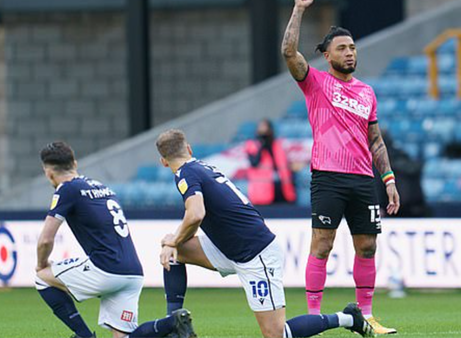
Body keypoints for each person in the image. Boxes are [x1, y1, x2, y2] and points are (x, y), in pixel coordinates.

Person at [156, 129, 373, 338]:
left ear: (163, 161)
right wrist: (174, 242)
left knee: (276, 334)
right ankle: (174, 323)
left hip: (255, 254)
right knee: (175, 251)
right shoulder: (200, 167)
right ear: (189, 149)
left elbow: (196, 214)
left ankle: (348, 318)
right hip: (231, 248)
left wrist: (174, 238)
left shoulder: (186, 173)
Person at [281, 0, 400, 335]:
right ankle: (315, 315)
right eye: (343, 49)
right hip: (328, 176)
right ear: (327, 55)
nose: (350, 53)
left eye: (353, 48)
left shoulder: (367, 92)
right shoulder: (315, 83)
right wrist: (298, 10)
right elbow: (289, 51)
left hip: (363, 179)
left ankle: (367, 315)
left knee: (368, 245)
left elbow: (375, 140)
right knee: (323, 243)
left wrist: (389, 180)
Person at [34, 141, 196, 338]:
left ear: (48, 172)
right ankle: (172, 322)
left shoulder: (66, 189)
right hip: (133, 272)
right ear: (75, 163)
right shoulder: (102, 187)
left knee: (42, 278)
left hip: (105, 270)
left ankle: (84, 336)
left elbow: (45, 239)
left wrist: (41, 264)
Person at [245, 119, 296, 205]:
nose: (263, 129)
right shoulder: (252, 144)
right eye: (261, 127)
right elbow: (254, 163)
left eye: (265, 126)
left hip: (281, 187)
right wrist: (261, 145)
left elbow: (283, 164)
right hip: (262, 190)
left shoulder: (278, 144)